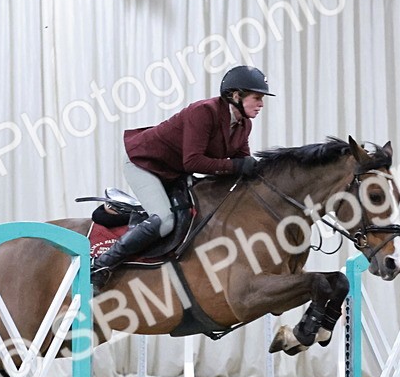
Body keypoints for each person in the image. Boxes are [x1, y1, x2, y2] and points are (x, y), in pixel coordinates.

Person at [91, 65, 273, 289]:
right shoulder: (204, 112)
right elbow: (194, 162)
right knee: (165, 220)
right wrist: (237, 165)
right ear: (236, 96)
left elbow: (241, 164)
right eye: (257, 97)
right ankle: (102, 264)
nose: (261, 104)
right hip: (144, 163)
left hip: (174, 170)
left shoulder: (244, 125)